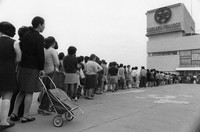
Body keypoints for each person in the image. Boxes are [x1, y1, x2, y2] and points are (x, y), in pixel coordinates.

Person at [10, 16, 45, 123]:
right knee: (29, 92)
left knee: (22, 91)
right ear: (39, 25)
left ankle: (14, 113)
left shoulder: (26, 35)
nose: (44, 26)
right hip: (32, 67)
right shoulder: (39, 38)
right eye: (43, 24)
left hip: (23, 66)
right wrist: (41, 68)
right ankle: (25, 116)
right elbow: (40, 54)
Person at [0, 21, 21, 129]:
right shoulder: (14, 42)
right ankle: (3, 122)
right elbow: (18, 58)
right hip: (8, 69)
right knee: (7, 95)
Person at [9, 26, 30, 118]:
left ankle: (12, 112)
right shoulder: (25, 45)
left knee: (16, 92)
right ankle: (20, 112)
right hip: (23, 69)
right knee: (23, 91)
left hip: (15, 70)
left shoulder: (18, 43)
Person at [38, 36, 59, 115]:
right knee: (50, 91)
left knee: (46, 90)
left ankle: (41, 107)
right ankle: (46, 108)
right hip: (52, 72)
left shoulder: (43, 49)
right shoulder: (52, 50)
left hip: (44, 72)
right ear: (53, 43)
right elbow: (57, 63)